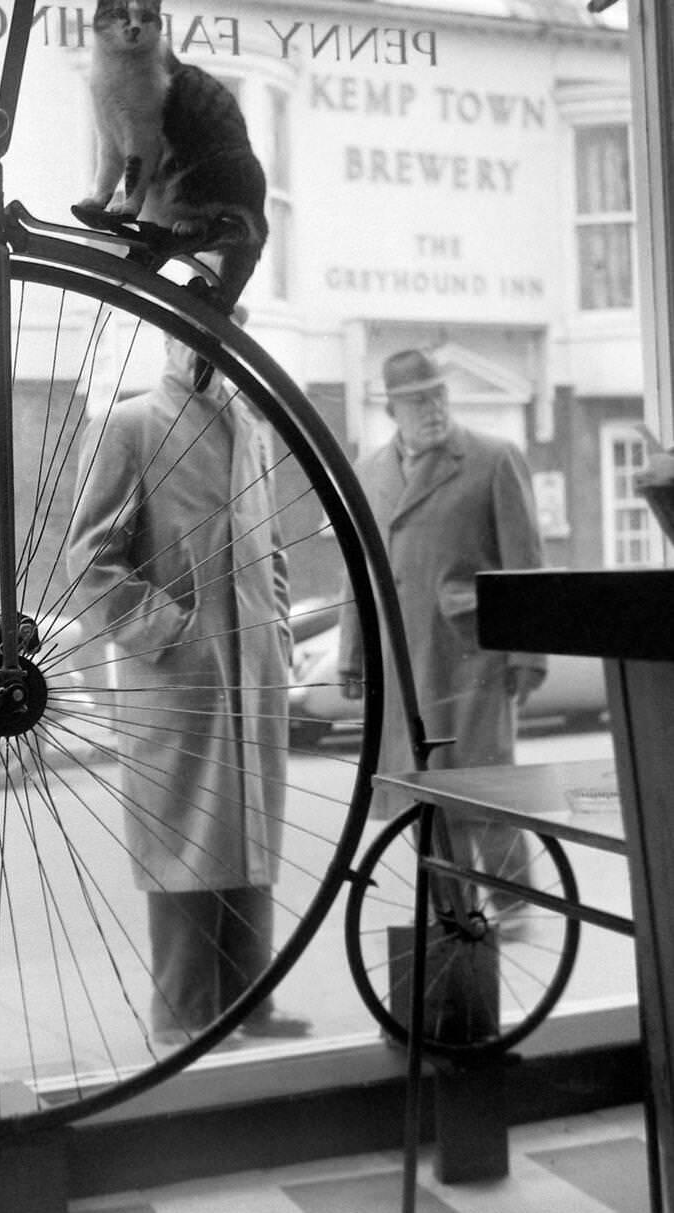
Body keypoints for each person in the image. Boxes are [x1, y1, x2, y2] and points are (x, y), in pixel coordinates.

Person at [66, 335, 309, 1046]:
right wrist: (166, 632)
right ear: (168, 336)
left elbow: (272, 550)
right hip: (181, 677)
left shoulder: (253, 431)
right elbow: (89, 561)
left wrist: (279, 640)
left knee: (250, 836)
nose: (205, 346)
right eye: (190, 330)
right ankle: (183, 1016)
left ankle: (248, 1003)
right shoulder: (129, 425)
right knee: (186, 841)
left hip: (252, 672)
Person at [338, 347, 547, 897]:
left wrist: (527, 656)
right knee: (425, 798)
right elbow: (357, 571)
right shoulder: (367, 473)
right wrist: (352, 656)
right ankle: (452, 926)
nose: (431, 408)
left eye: (438, 395)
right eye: (416, 400)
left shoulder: (493, 459)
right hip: (403, 660)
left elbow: (525, 566)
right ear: (391, 411)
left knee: (486, 791)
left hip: (471, 661)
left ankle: (517, 904)